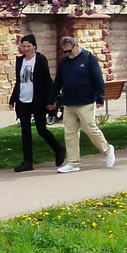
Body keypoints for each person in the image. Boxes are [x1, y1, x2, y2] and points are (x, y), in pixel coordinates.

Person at [52, 36, 115, 172]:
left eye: (69, 51)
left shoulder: (88, 58)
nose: (67, 54)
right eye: (65, 52)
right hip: (69, 103)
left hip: (86, 101)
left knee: (90, 129)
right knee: (69, 133)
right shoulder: (64, 62)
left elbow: (98, 79)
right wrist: (52, 99)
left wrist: (99, 98)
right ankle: (73, 163)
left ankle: (108, 150)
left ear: (76, 46)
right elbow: (58, 82)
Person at [8, 34, 64, 172]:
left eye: (28, 46)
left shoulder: (40, 59)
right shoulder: (20, 61)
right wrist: (12, 99)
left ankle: (59, 149)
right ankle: (28, 162)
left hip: (37, 100)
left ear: (34, 47)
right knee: (25, 132)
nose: (26, 49)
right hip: (23, 100)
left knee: (41, 129)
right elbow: (19, 81)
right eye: (23, 46)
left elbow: (47, 81)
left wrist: (51, 100)